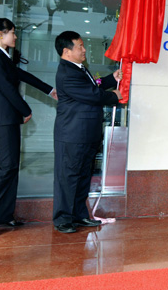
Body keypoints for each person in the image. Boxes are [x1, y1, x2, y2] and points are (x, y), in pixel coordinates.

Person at [0, 15, 57, 237]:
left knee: (11, 167)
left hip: (9, 118)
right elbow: (6, 88)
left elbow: (22, 75)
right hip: (3, 119)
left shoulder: (3, 57)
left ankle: (3, 216)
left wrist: (49, 90)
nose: (15, 36)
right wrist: (25, 109)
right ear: (0, 34)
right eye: (12, 32)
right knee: (7, 167)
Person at [52, 31, 122, 233]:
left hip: (86, 134)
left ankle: (79, 216)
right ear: (67, 51)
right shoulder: (67, 73)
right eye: (80, 46)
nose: (84, 50)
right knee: (68, 177)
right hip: (72, 135)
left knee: (82, 177)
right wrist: (114, 96)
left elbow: (94, 85)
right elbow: (92, 94)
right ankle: (63, 219)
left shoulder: (79, 69)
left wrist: (111, 79)